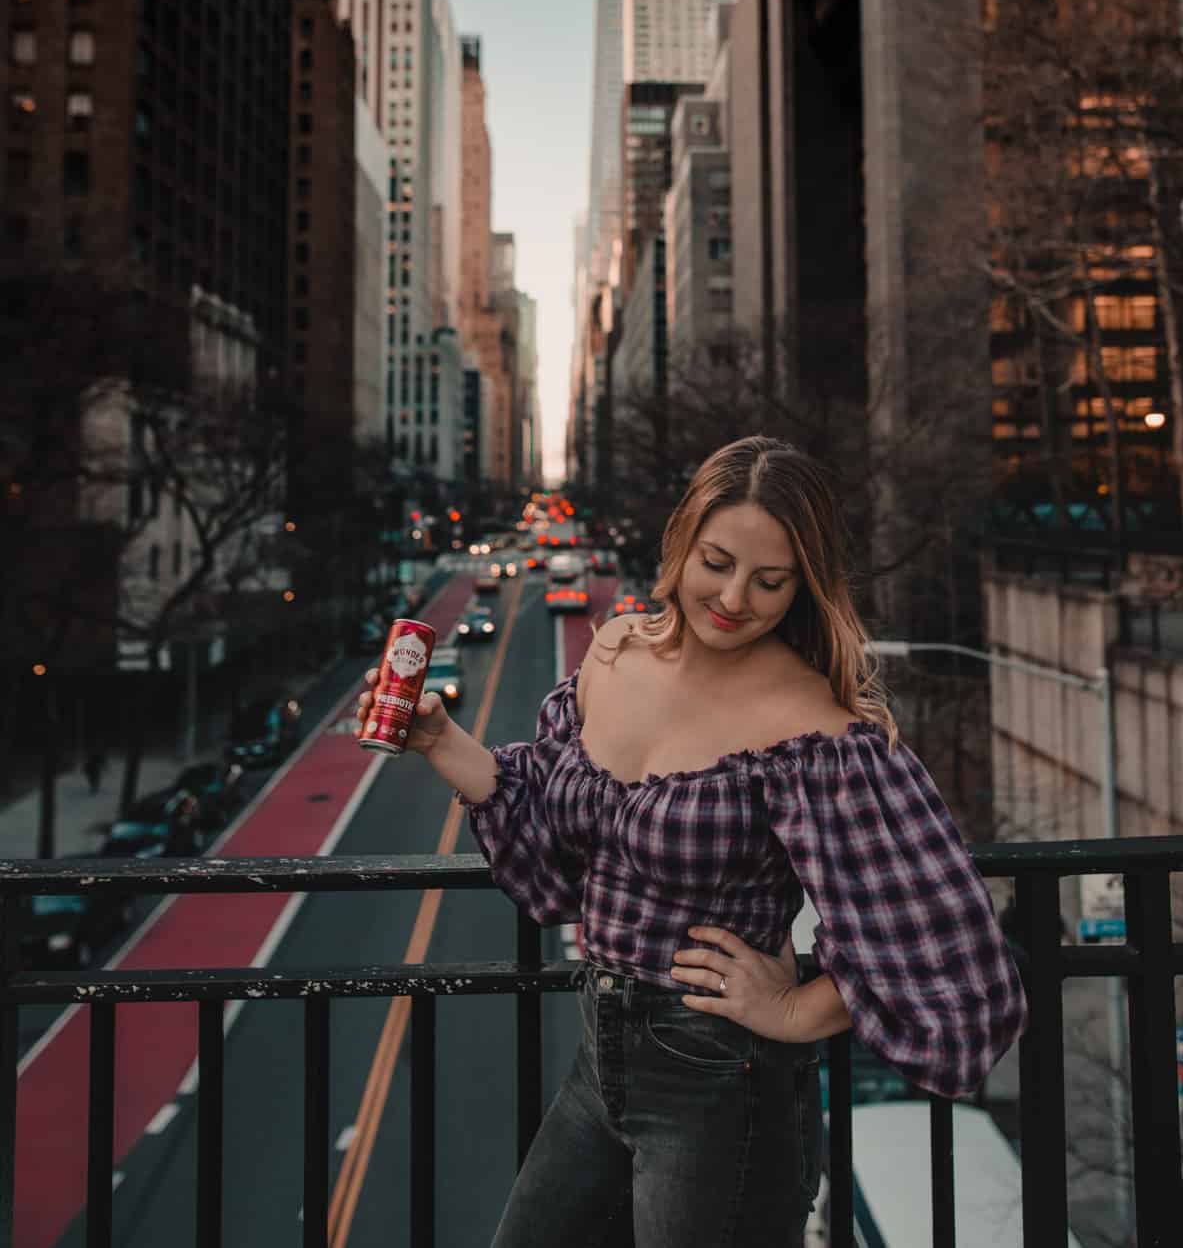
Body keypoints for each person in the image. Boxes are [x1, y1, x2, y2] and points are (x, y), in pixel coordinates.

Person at [357, 436, 1027, 1246]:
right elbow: (554, 859)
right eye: (717, 561)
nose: (734, 597)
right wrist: (438, 741)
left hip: (723, 1085)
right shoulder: (614, 651)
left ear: (803, 586)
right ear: (681, 541)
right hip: (599, 1063)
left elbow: (945, 944)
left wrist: (793, 1006)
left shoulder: (815, 731)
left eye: (770, 580)